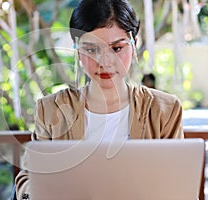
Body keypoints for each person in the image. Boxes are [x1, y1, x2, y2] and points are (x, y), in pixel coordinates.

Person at [15, 0, 184, 199]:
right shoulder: (51, 109)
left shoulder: (165, 110)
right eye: (92, 49)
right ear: (78, 50)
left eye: (116, 48)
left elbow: (178, 183)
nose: (104, 62)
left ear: (134, 44)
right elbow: (27, 179)